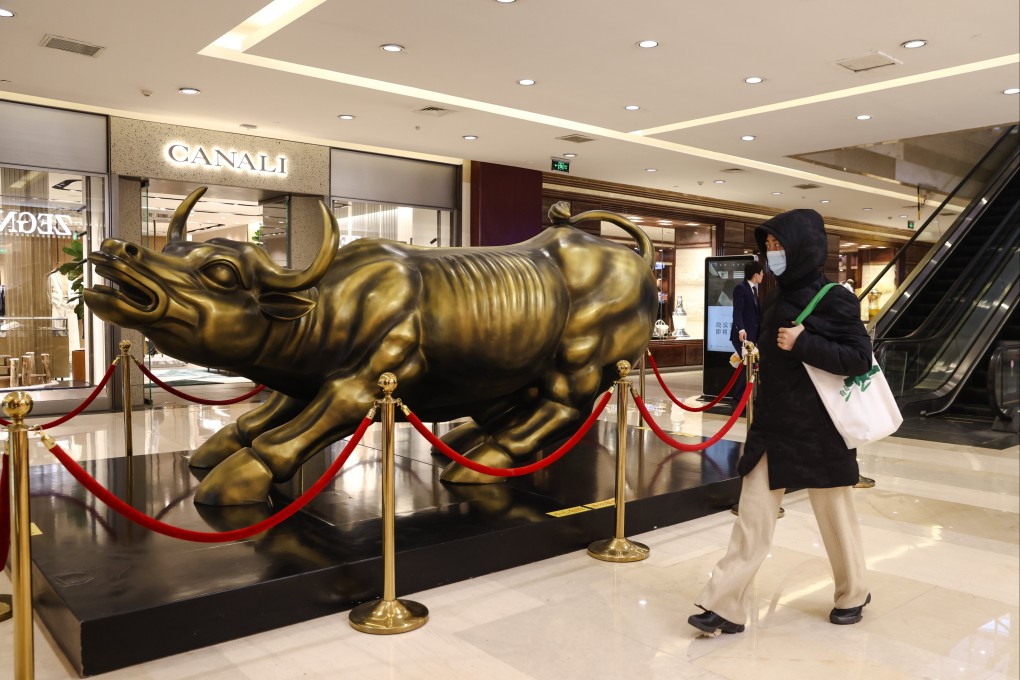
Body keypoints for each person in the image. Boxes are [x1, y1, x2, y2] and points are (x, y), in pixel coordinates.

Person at [688, 209, 873, 635]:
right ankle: (724, 604)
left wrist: (804, 342)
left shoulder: (834, 297)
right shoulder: (775, 295)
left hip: (819, 430)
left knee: (836, 518)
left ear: (803, 247)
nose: (772, 254)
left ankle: (854, 591)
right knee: (752, 517)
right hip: (772, 427)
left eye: (779, 245)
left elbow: (858, 358)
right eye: (768, 246)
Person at [730, 260, 764, 355]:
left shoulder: (754, 289)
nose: (763, 275)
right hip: (743, 336)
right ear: (755, 275)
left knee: (750, 367)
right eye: (761, 272)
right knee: (748, 366)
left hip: (753, 336)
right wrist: (741, 330)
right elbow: (737, 311)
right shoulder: (740, 288)